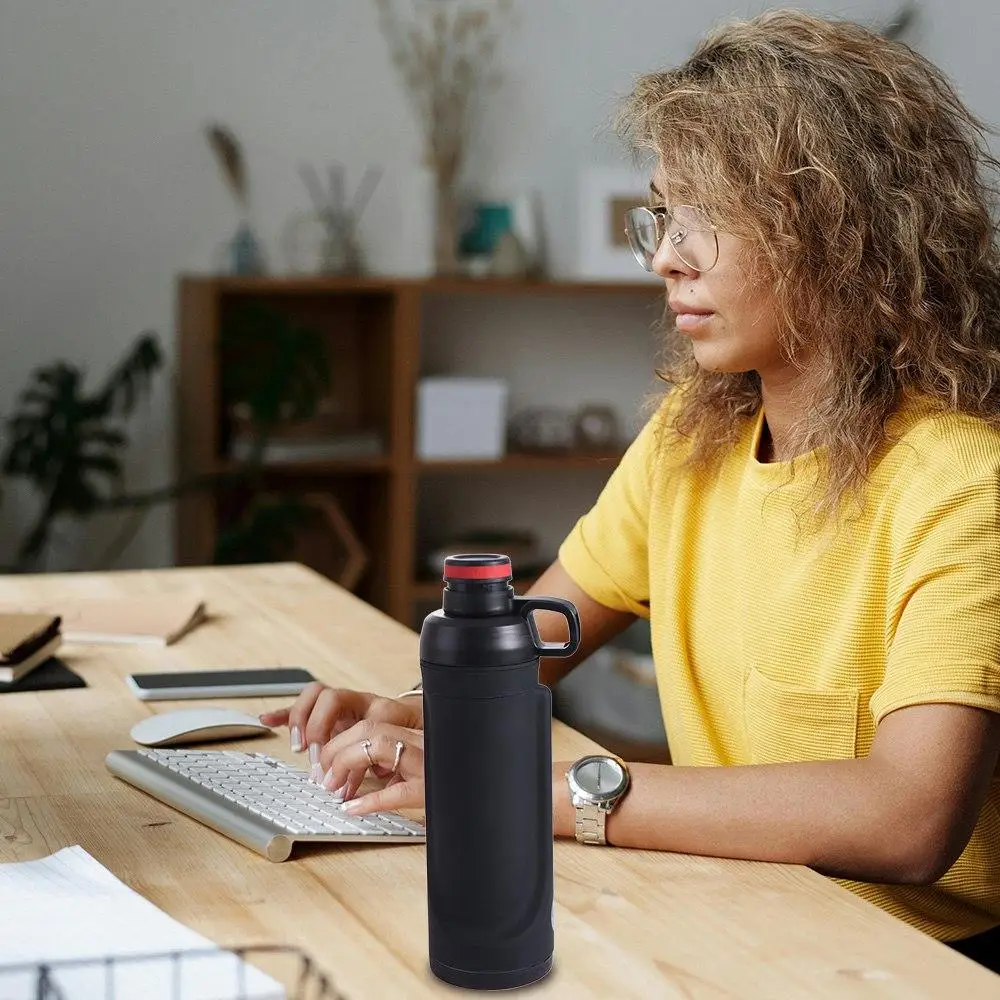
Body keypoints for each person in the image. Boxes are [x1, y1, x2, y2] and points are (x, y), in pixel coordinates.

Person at [261, 9, 1000, 969]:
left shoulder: (963, 481)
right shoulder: (692, 438)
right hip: (733, 915)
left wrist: (530, 787)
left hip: (916, 962)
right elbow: (533, 638)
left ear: (846, 235)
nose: (664, 257)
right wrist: (417, 710)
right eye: (663, 213)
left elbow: (907, 818)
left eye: (710, 219)